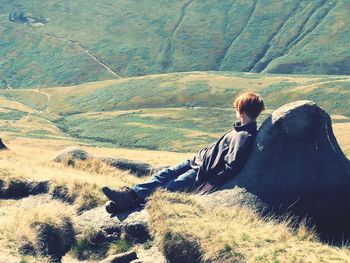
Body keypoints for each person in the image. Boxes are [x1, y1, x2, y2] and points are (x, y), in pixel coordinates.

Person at [102, 92, 265, 214]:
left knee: (171, 188)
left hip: (201, 173)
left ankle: (132, 206)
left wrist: (212, 182)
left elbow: (233, 166)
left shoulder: (245, 136)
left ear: (241, 111)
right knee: (163, 175)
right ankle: (130, 196)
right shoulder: (239, 129)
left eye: (237, 108)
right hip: (196, 161)